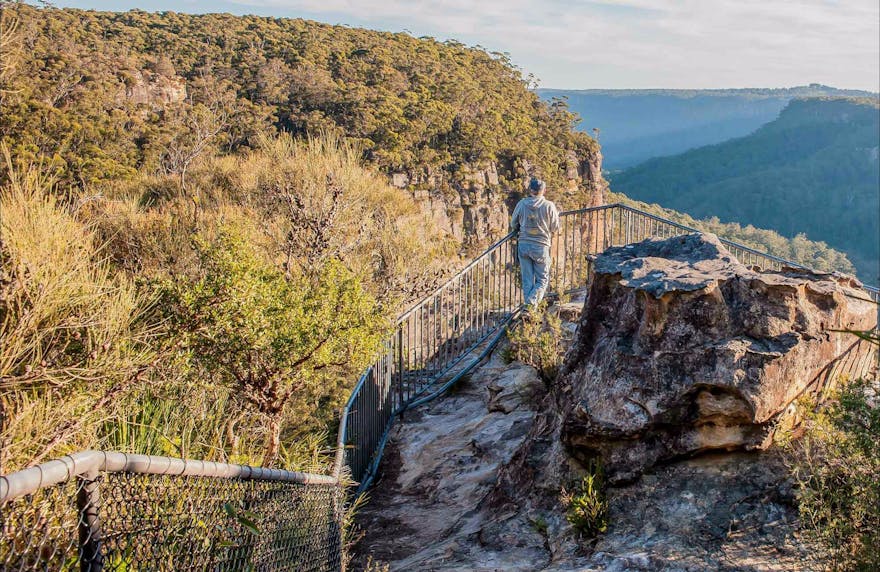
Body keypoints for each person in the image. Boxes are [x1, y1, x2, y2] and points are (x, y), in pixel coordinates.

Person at [509, 177, 560, 306]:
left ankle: (528, 310)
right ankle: (531, 305)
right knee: (542, 279)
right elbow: (555, 227)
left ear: (530, 190)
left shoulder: (521, 204)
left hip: (524, 244)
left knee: (527, 280)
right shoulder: (549, 206)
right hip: (541, 245)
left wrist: (520, 228)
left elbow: (513, 223)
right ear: (543, 190)